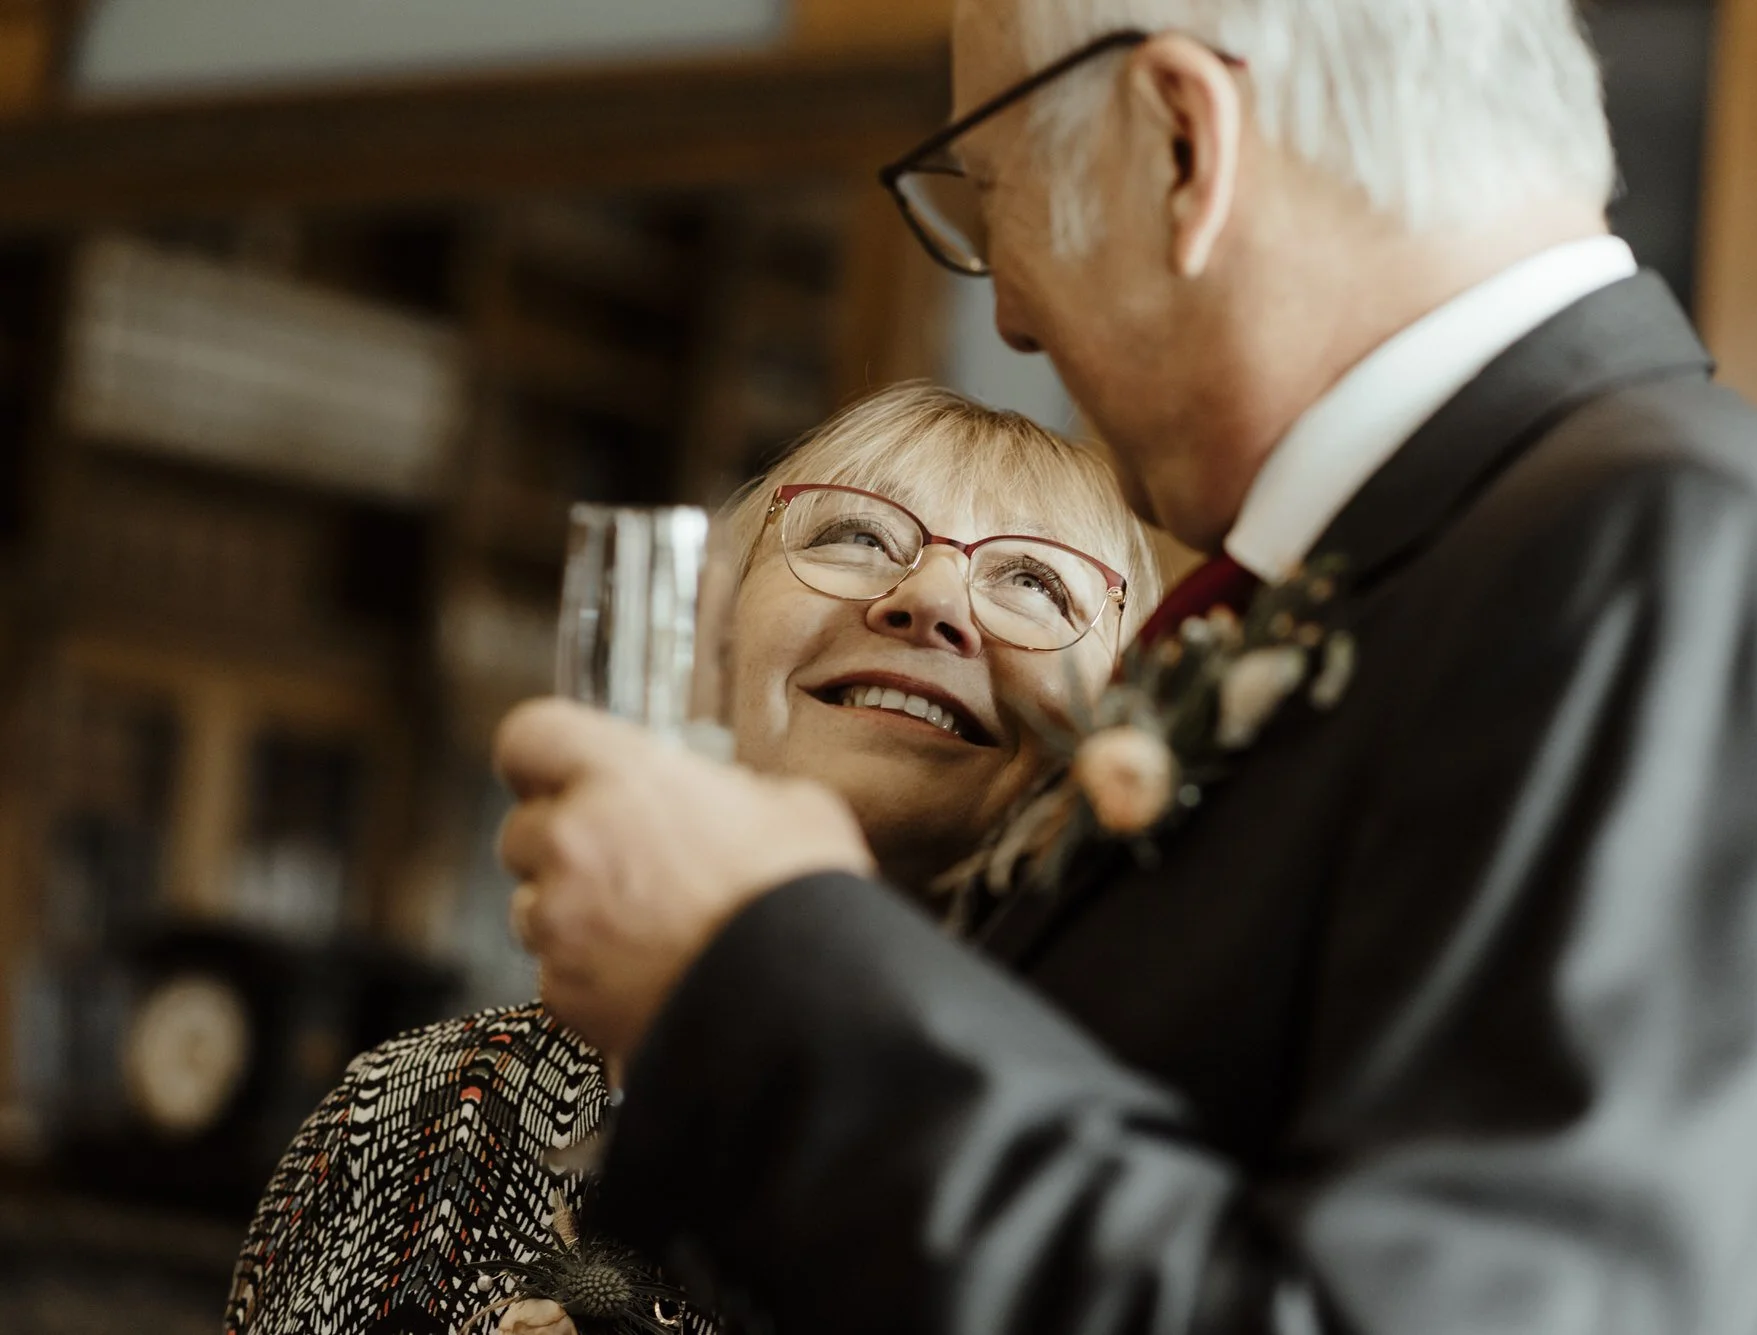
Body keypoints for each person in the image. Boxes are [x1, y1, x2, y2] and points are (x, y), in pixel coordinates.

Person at [496, 2, 1757, 1333]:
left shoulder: (1656, 558)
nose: (1006, 311)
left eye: (996, 198)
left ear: (1180, 143)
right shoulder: (1473, 562)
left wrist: (759, 973)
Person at [219, 382, 1160, 1335]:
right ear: (710, 648)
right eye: (857, 536)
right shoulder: (416, 1111)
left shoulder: (1101, 1198)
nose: (928, 602)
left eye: (1034, 583)